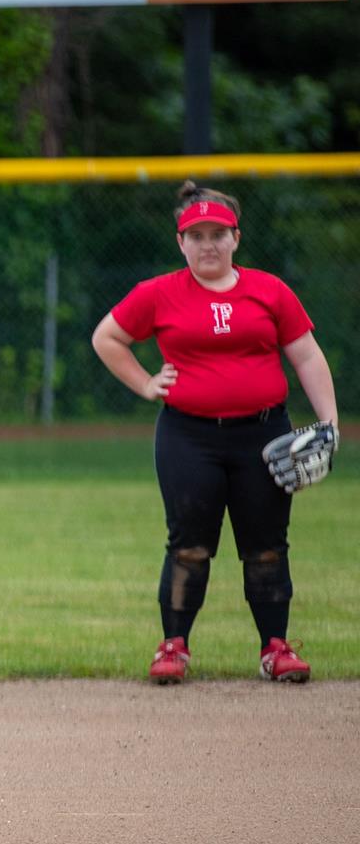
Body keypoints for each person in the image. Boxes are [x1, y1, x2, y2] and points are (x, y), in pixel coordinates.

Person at [90, 180, 340, 684]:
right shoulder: (159, 293)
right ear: (180, 242)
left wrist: (329, 422)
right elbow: (107, 337)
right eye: (196, 234)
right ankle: (174, 646)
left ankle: (275, 647)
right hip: (189, 436)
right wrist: (144, 383)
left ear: (236, 239)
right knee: (189, 543)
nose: (208, 244)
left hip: (263, 435)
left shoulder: (270, 290)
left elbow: (307, 355)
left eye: (218, 234)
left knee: (267, 543)